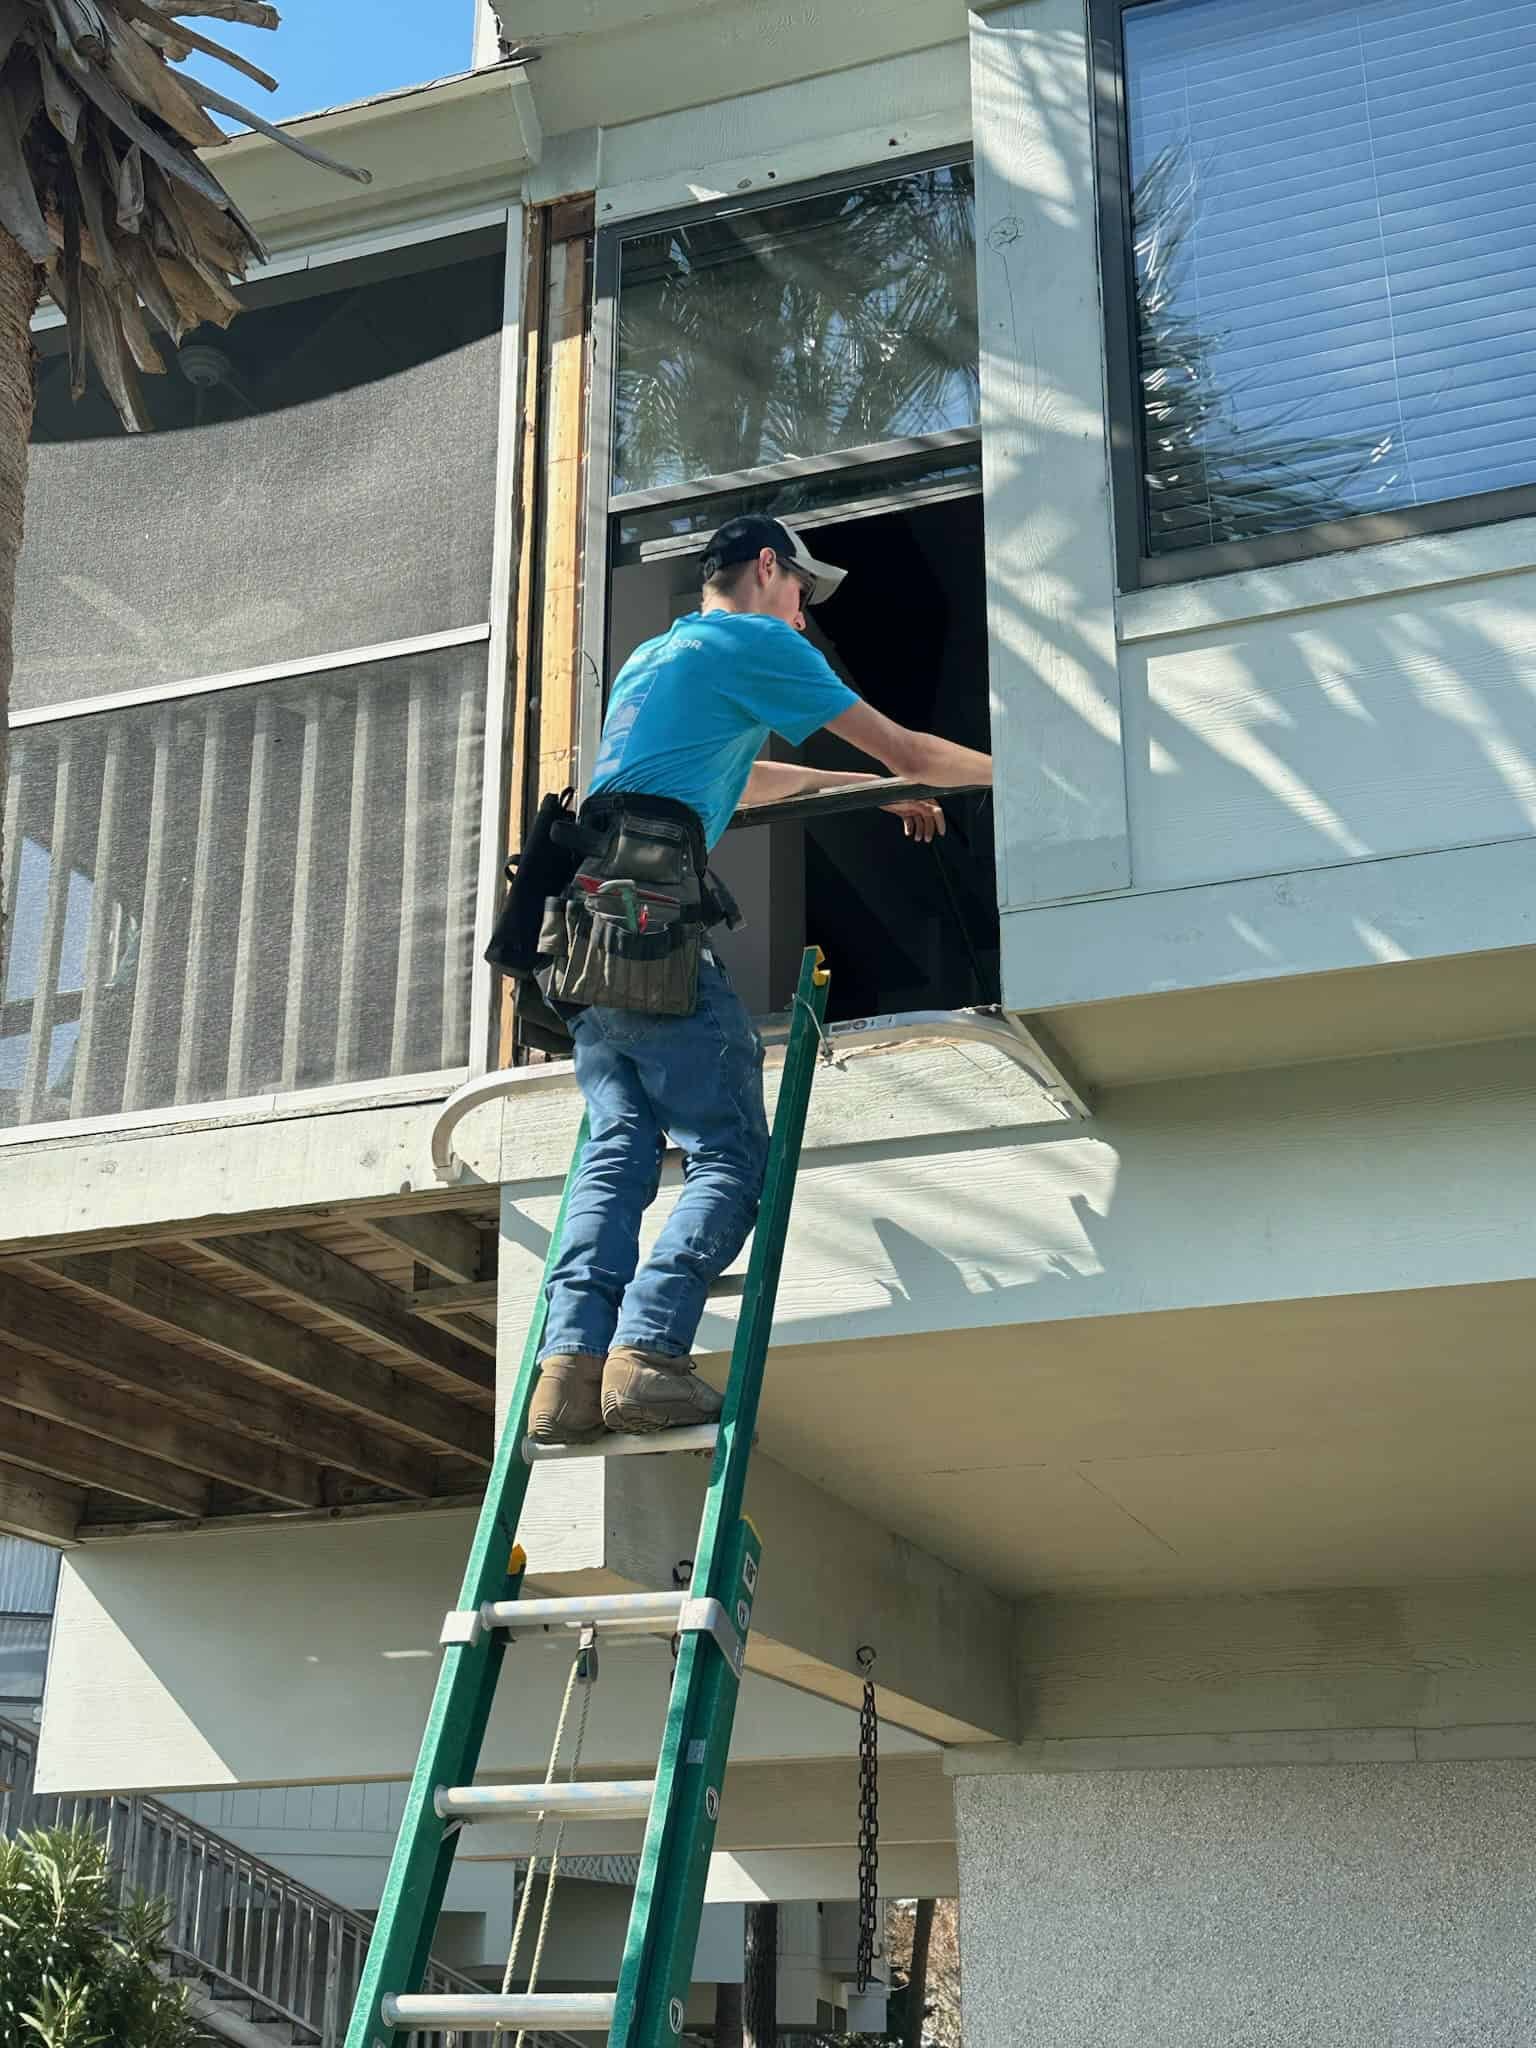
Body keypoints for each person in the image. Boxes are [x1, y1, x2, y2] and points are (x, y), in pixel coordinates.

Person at [528, 515, 994, 1445]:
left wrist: (855, 792)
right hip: (653, 929)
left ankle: (566, 1374)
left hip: (579, 934)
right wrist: (1022, 772)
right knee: (732, 1152)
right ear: (769, 568)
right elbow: (906, 750)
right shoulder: (753, 640)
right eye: (801, 594)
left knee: (619, 1149)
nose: (804, 617)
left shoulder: (655, 658)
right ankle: (648, 1353)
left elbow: (735, 780)